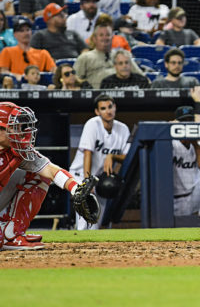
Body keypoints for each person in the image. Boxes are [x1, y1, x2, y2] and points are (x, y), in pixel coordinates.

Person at [0, 101, 98, 249]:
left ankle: (11, 233)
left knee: (39, 175)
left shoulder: (18, 150)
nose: (20, 132)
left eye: (19, 127)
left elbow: (50, 170)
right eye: (13, 127)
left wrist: (76, 190)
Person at [68, 94, 130, 229]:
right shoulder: (92, 124)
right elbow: (87, 153)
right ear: (97, 112)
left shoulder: (123, 128)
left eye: (110, 107)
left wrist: (112, 157)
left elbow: (127, 156)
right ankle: (78, 245)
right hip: (81, 173)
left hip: (101, 179)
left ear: (115, 107)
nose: (108, 111)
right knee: (85, 219)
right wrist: (86, 181)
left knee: (96, 221)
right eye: (103, 108)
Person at [73, 20, 143, 88]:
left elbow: (142, 77)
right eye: (101, 35)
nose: (105, 38)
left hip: (123, 94)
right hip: (97, 97)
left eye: (108, 35)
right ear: (94, 39)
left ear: (112, 37)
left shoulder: (122, 55)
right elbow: (73, 81)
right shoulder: (85, 58)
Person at [170, 103, 200, 216]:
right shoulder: (170, 143)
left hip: (193, 195)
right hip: (174, 198)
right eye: (184, 121)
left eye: (190, 120)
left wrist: (195, 143)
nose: (187, 124)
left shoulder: (198, 145)